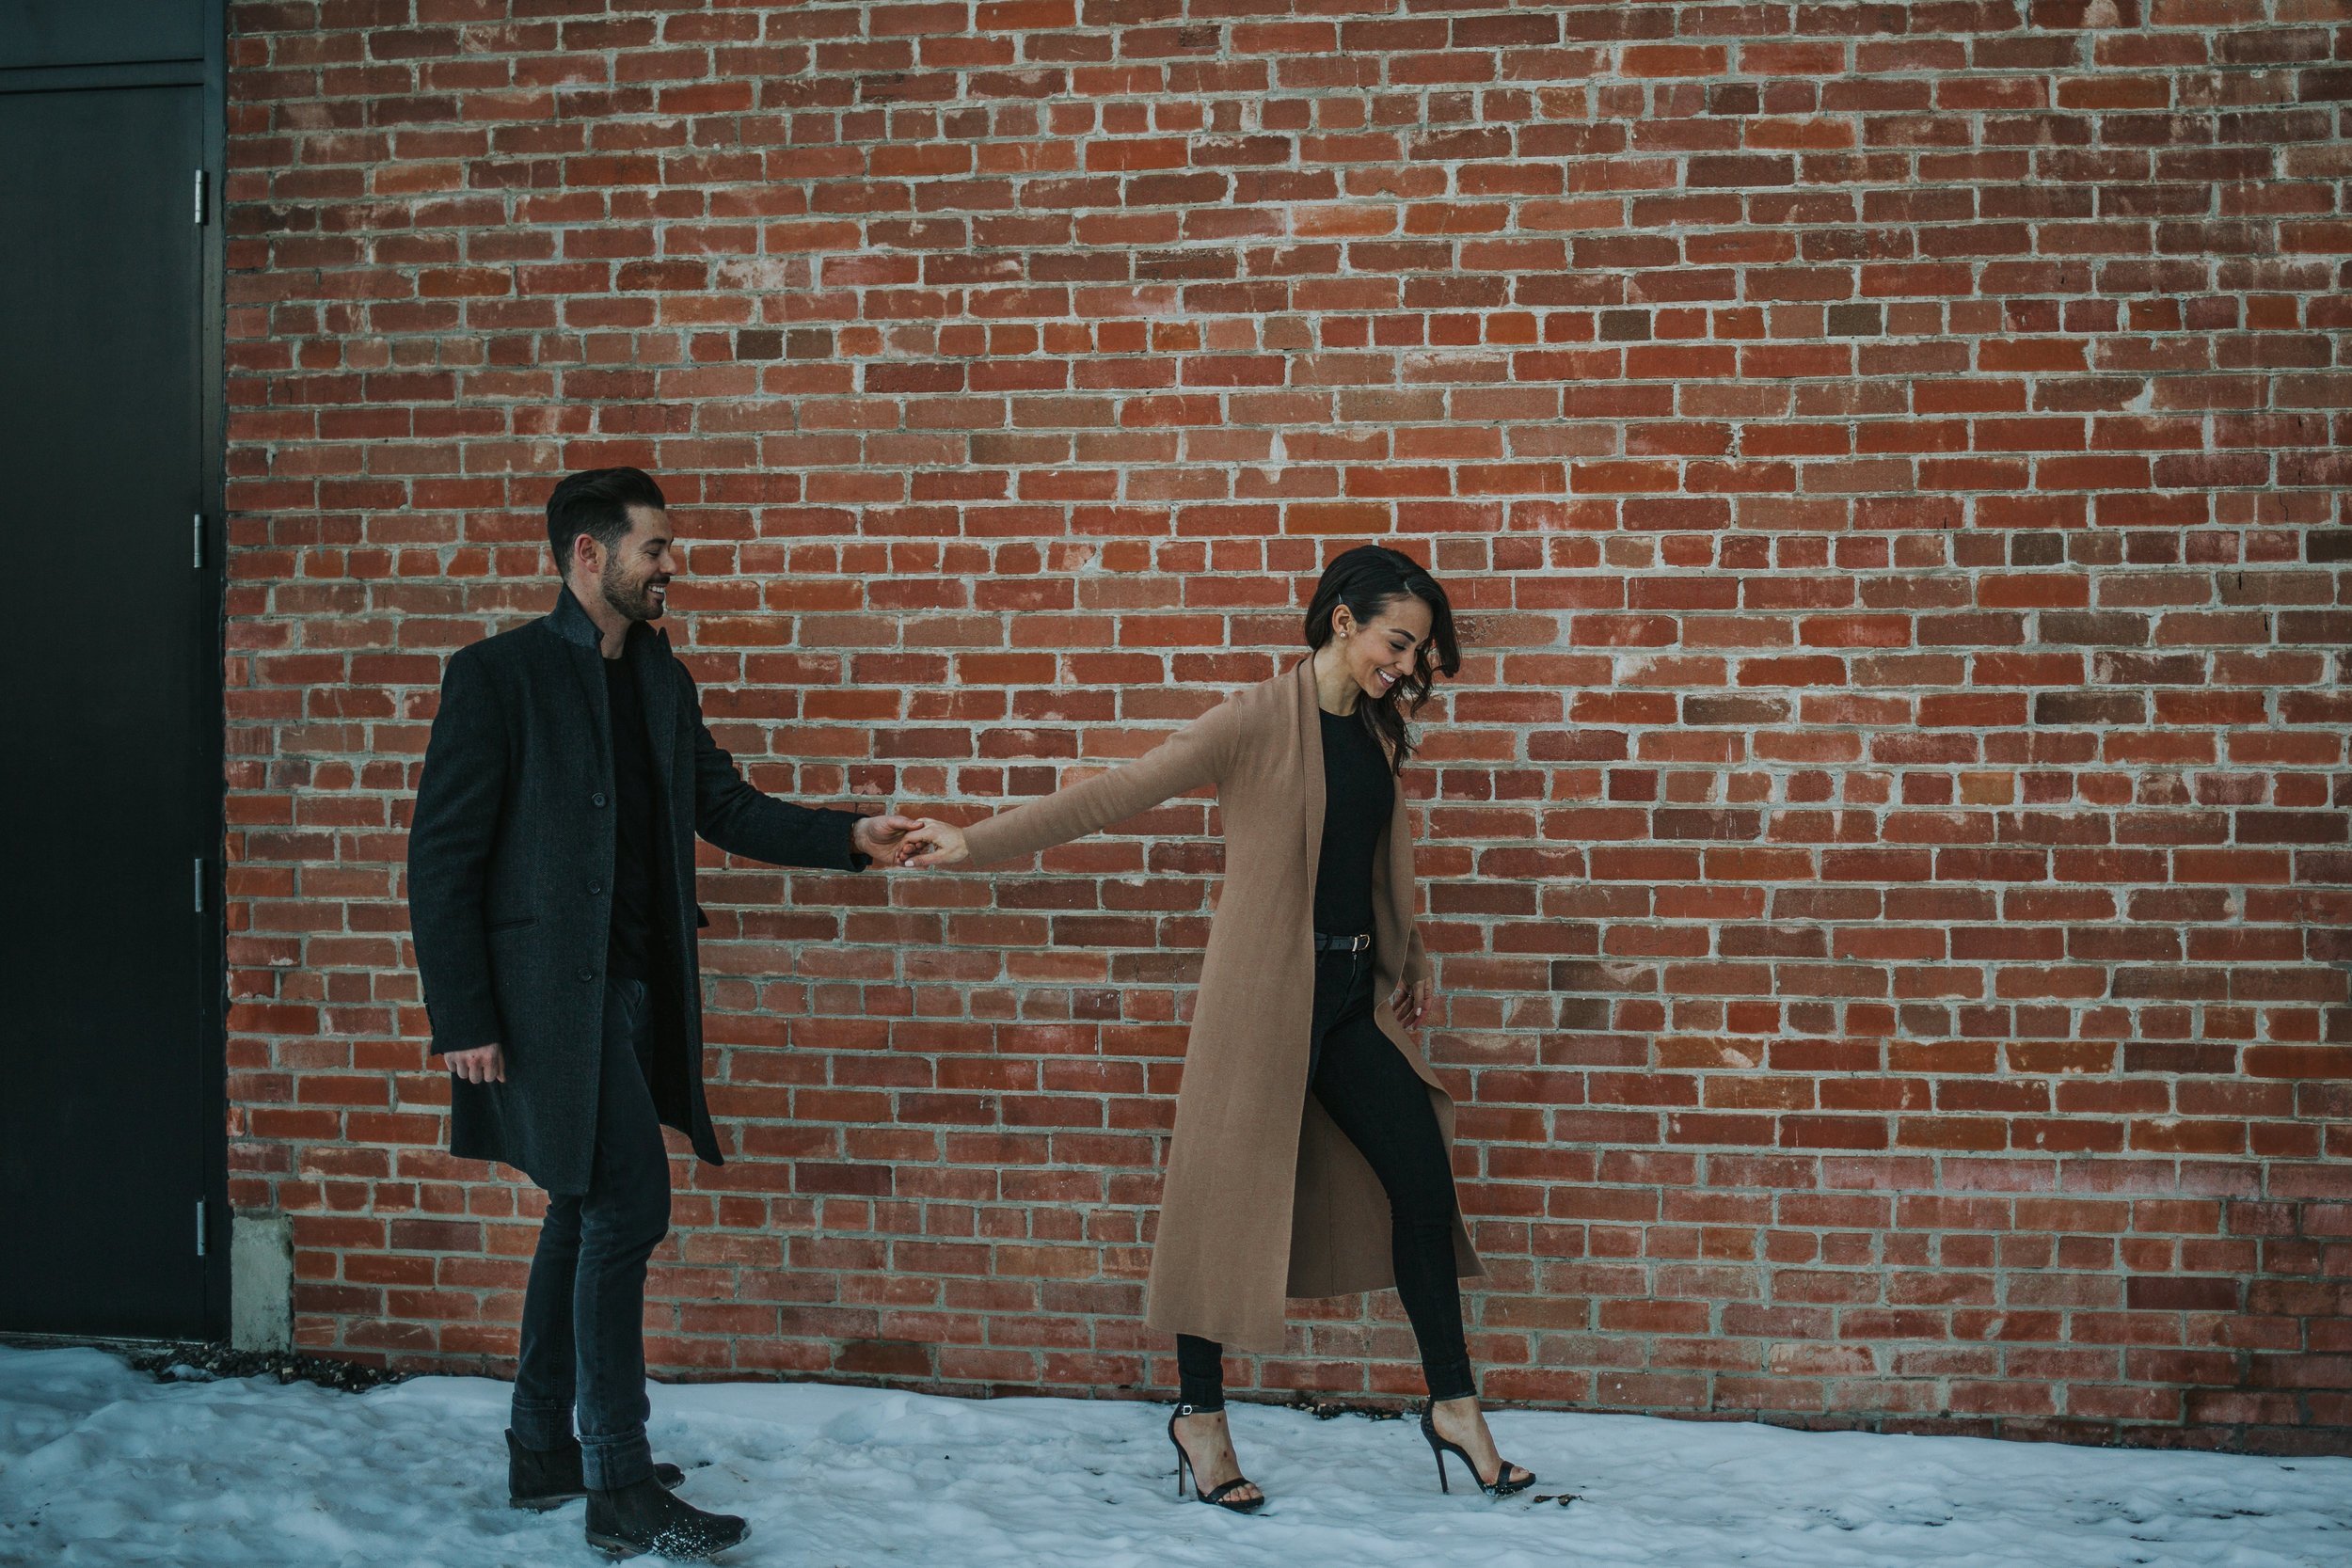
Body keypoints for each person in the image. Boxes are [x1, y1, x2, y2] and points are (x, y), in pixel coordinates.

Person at [898, 545, 1533, 1510]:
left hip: (1349, 997)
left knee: (1421, 1183)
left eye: (1418, 650)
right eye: (1396, 641)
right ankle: (1199, 1415)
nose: (1404, 664)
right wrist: (972, 840)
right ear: (1343, 621)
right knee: (1215, 1204)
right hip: (1261, 1000)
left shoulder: (1374, 730)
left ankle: (1453, 1404)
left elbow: (1371, 858)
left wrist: (1408, 960)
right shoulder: (1250, 723)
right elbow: (1116, 790)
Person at [407, 467, 919, 1560]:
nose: (671, 565)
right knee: (627, 1210)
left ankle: (543, 1444)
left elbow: (720, 802)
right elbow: (440, 858)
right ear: (588, 555)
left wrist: (846, 835)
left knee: (580, 1209)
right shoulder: (495, 678)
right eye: (655, 548)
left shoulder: (659, 676)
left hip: (637, 995)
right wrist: (463, 1016)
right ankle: (619, 1480)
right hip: (546, 1004)